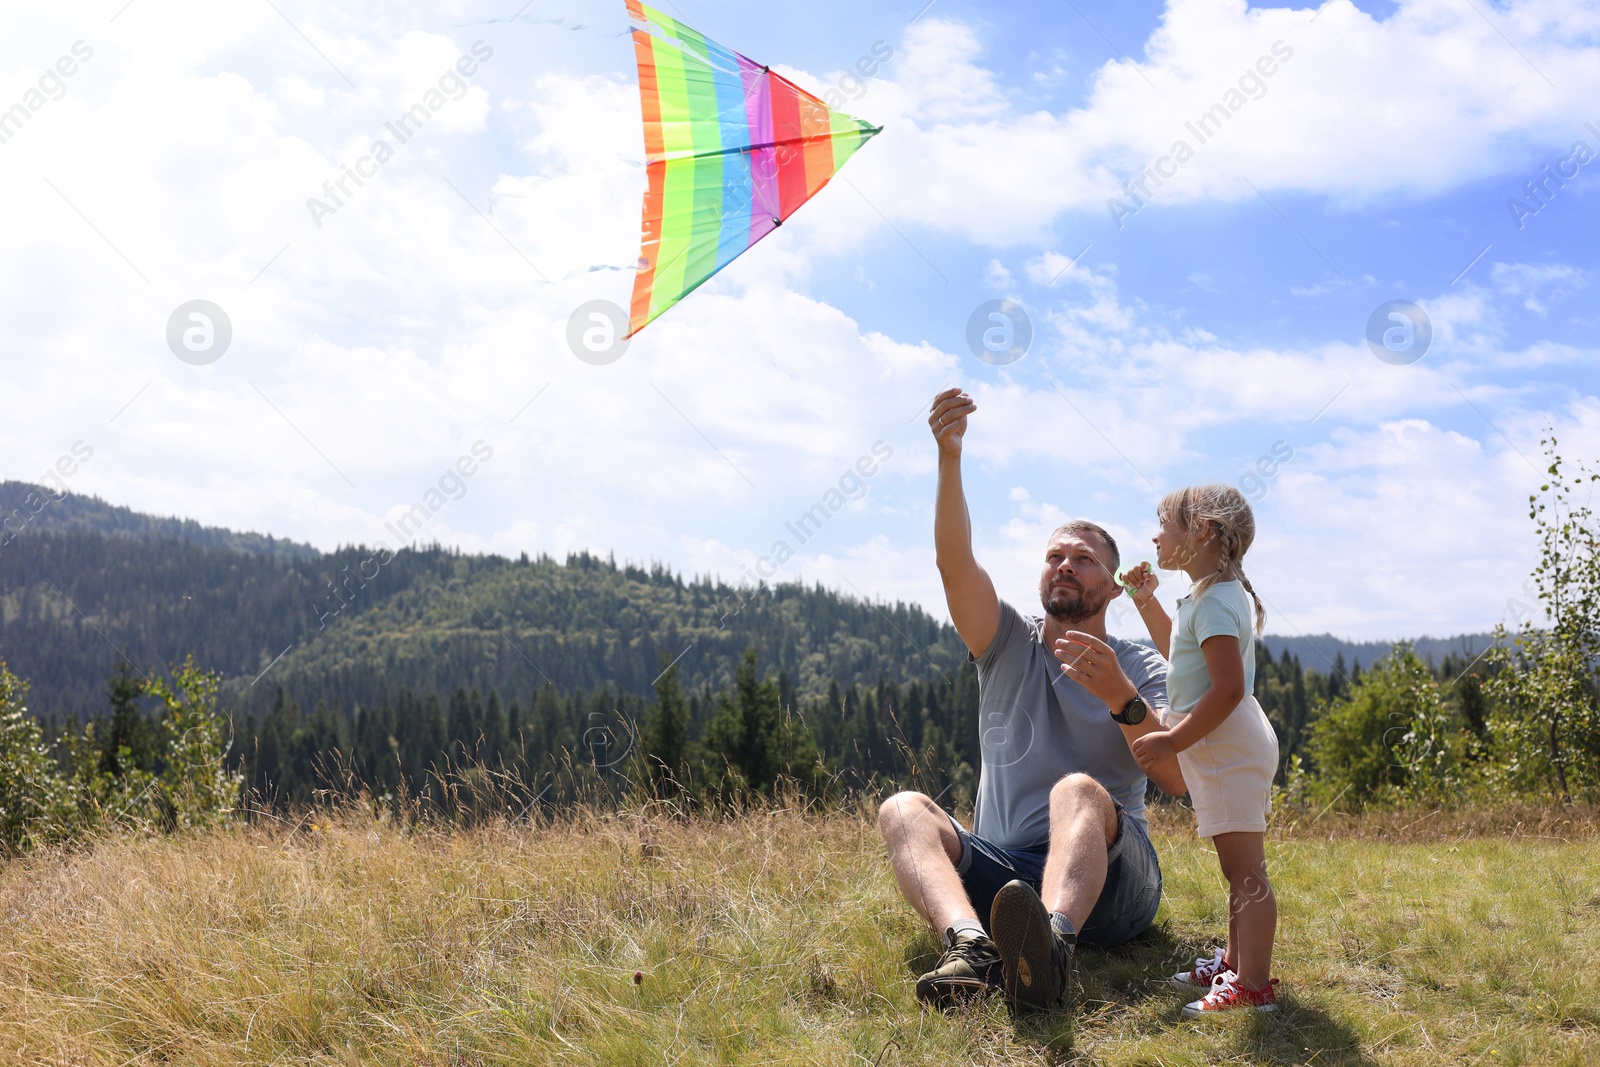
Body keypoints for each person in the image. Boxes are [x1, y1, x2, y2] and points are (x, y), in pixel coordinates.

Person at [878, 387, 1186, 1012]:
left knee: (1078, 789)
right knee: (903, 808)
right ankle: (972, 949)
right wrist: (949, 458)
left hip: (1117, 882)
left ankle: (1052, 948)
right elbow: (955, 564)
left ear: (1112, 586)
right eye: (1054, 557)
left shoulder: (1141, 665)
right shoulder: (1005, 644)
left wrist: (1120, 698)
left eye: (1084, 560)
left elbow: (1179, 778)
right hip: (1009, 874)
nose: (1065, 566)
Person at [1121, 484, 1282, 1016]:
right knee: (1235, 867)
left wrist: (1173, 738)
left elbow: (1228, 688)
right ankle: (1235, 964)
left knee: (1246, 872)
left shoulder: (1214, 600)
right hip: (1224, 744)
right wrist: (1145, 601)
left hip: (1225, 744)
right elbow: (1181, 656)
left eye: (1164, 523)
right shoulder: (1208, 595)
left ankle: (1253, 985)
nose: (1155, 535)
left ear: (1203, 531)